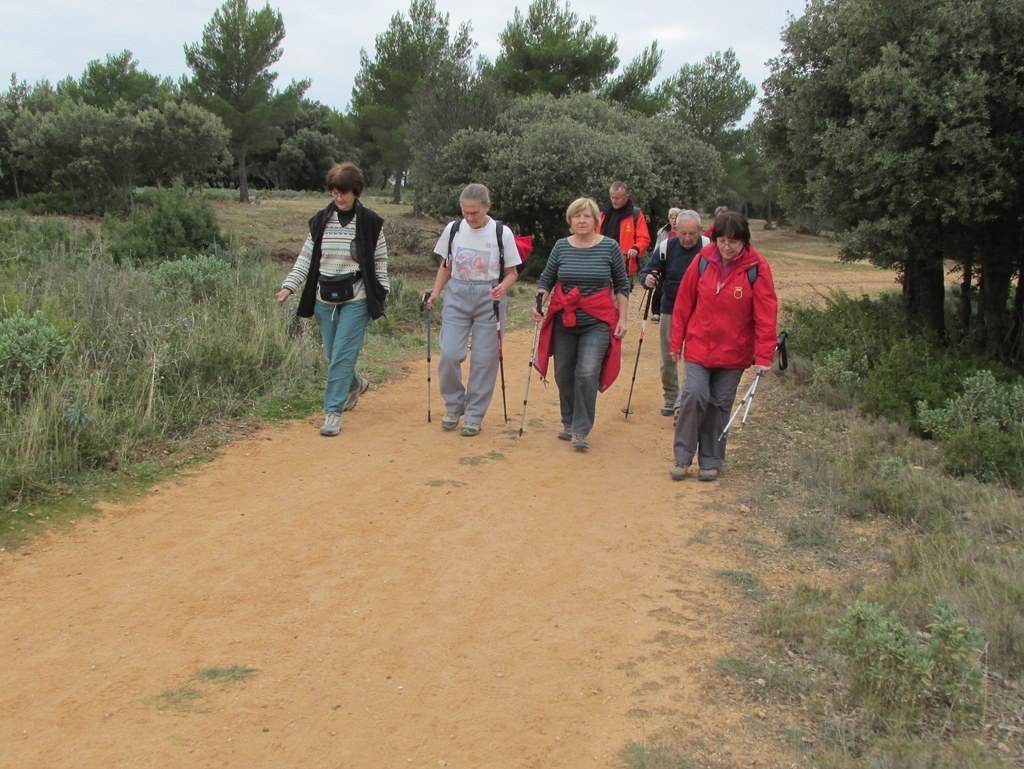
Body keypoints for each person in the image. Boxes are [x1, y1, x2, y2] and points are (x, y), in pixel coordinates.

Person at [276, 162, 389, 437]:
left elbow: (380, 260)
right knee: (332, 354)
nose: (339, 198)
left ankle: (332, 413)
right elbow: (305, 257)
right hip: (323, 297)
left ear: (356, 192)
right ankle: (355, 383)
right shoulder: (320, 221)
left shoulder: (371, 223)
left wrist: (382, 290)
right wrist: (289, 286)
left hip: (357, 296)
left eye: (345, 193)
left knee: (342, 355)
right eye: (335, 192)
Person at [668, 211, 778, 482]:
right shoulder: (702, 261)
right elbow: (683, 304)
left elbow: (766, 314)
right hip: (698, 347)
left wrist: (764, 355)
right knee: (693, 395)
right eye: (721, 240)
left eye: (733, 241)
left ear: (744, 241)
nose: (727, 247)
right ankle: (682, 457)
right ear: (714, 238)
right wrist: (676, 342)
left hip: (734, 353)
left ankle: (711, 460)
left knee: (719, 404)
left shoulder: (757, 267)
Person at [531, 197, 630, 451]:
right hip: (565, 319)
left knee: (586, 372)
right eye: (577, 216)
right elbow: (547, 279)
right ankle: (569, 420)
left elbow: (622, 285)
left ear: (596, 220)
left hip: (597, 321)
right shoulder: (561, 247)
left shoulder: (609, 247)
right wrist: (539, 303)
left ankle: (581, 430)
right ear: (570, 221)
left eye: (587, 216)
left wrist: (623, 318)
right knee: (563, 371)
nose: (582, 221)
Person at [424, 183, 520, 437]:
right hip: (457, 293)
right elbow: (446, 265)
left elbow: (512, 273)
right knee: (449, 353)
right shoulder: (453, 229)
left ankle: (474, 415)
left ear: (487, 207)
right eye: (465, 212)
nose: (469, 217)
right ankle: (455, 405)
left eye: (474, 212)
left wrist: (502, 288)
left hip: (489, 297)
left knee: (484, 360)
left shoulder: (502, 233)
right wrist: (435, 292)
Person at [640, 210, 710, 416]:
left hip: (700, 310)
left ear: (699, 230)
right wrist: (648, 279)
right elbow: (647, 271)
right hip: (670, 308)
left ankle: (684, 402)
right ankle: (671, 397)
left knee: (695, 357)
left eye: (692, 234)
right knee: (668, 356)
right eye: (683, 233)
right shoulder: (666, 248)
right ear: (675, 230)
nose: (687, 239)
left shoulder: (708, 248)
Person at [598, 181, 652, 279]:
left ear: (626, 197)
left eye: (617, 198)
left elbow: (644, 238)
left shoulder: (635, 214)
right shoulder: (603, 213)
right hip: (601, 263)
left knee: (621, 294)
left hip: (623, 265)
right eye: (612, 197)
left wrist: (636, 249)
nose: (614, 200)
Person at [649, 207, 680, 323]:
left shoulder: (682, 232)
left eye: (676, 217)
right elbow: (657, 246)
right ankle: (656, 312)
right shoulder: (663, 231)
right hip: (663, 261)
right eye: (672, 217)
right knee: (659, 287)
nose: (674, 220)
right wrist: (654, 262)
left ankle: (669, 311)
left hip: (676, 263)